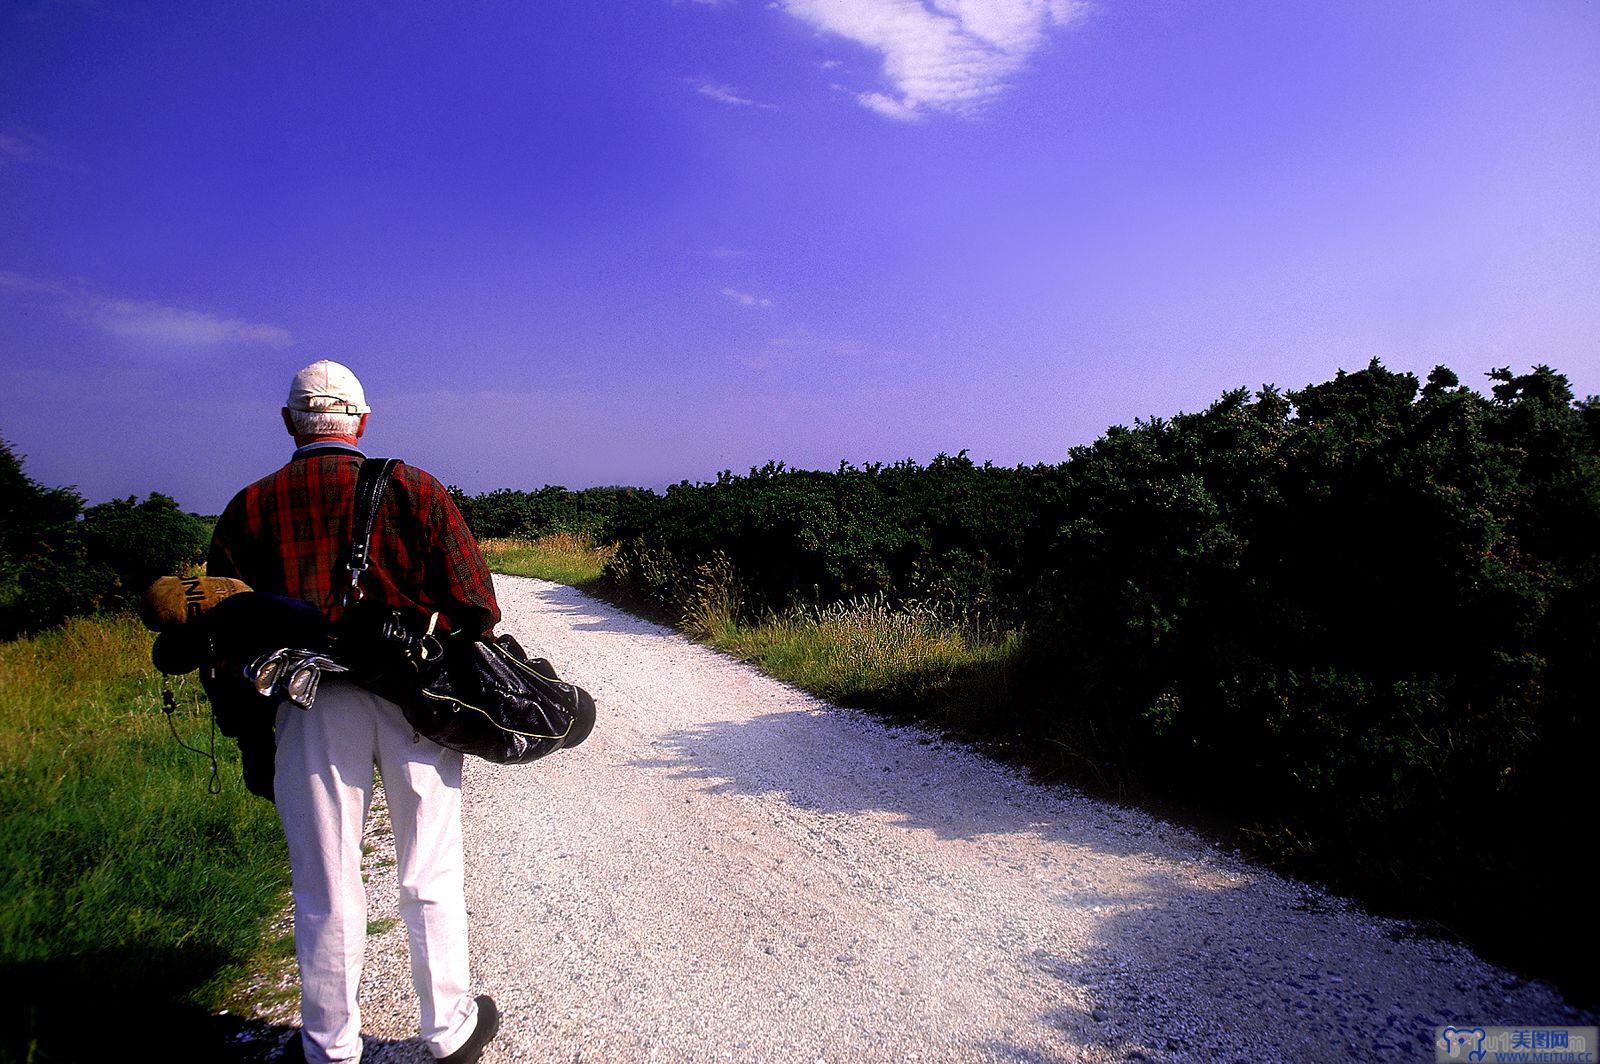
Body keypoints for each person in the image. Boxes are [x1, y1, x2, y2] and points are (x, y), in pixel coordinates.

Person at [207, 360, 503, 1064]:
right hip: (414, 699)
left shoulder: (249, 506)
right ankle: (447, 1030)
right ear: (362, 422)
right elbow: (478, 609)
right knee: (428, 868)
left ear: (288, 422)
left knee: (325, 879)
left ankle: (329, 1046)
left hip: (306, 703)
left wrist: (251, 730)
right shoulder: (414, 488)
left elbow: (223, 633)